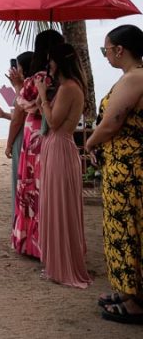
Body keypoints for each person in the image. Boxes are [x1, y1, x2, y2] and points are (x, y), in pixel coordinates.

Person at [85, 25, 143, 323]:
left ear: (120, 50)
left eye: (105, 49)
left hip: (129, 167)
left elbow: (113, 122)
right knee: (121, 228)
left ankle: (134, 300)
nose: (105, 54)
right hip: (121, 164)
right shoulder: (130, 77)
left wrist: (90, 142)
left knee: (127, 228)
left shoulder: (136, 78)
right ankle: (127, 290)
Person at [35, 44, 91, 289]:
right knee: (54, 203)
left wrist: (42, 93)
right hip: (56, 146)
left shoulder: (69, 88)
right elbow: (43, 110)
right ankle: (56, 261)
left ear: (59, 62)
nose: (49, 65)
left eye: (51, 61)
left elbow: (54, 121)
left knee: (59, 205)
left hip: (60, 146)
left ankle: (63, 265)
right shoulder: (69, 87)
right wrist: (42, 94)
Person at [10, 29, 64, 258]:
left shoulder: (37, 78)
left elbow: (21, 105)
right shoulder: (61, 77)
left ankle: (31, 242)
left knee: (30, 186)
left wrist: (16, 85)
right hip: (52, 131)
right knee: (44, 186)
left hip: (33, 133)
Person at [0, 51, 34, 217]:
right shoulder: (36, 87)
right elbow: (24, 115)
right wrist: (4, 115)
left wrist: (8, 144)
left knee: (20, 179)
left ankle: (21, 221)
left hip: (23, 138)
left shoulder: (24, 90)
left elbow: (17, 120)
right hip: (31, 133)